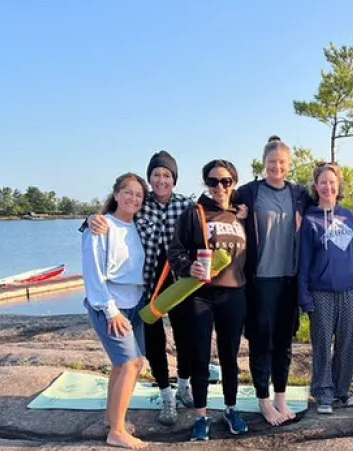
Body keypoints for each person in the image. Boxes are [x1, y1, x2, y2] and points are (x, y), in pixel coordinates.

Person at [87, 151, 194, 426]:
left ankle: (184, 385)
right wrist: (90, 220)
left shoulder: (186, 205)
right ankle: (166, 394)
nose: (161, 180)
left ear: (174, 179)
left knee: (185, 337)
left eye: (167, 175)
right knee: (155, 343)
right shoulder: (141, 206)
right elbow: (113, 220)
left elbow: (205, 231)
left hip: (180, 280)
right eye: (156, 174)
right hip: (148, 283)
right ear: (150, 179)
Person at [168, 159, 249, 440]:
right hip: (201, 295)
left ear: (233, 183)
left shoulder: (241, 215)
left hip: (235, 293)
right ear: (206, 184)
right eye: (213, 181)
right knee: (200, 356)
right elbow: (175, 251)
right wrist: (188, 266)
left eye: (225, 181)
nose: (219, 187)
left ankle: (230, 408)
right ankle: (201, 415)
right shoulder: (196, 213)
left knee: (230, 356)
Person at [235, 136, 311, 426]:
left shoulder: (299, 194)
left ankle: (281, 396)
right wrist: (238, 214)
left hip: (289, 279)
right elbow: (216, 203)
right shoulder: (250, 193)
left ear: (288, 165)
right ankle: (264, 401)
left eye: (281, 162)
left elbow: (329, 195)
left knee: (284, 342)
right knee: (261, 341)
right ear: (264, 163)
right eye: (271, 162)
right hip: (261, 280)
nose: (276, 167)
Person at [82, 172, 149, 449]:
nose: (133, 198)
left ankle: (113, 419)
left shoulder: (140, 227)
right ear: (116, 193)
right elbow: (93, 272)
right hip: (111, 306)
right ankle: (118, 432)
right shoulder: (100, 226)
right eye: (128, 192)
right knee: (129, 364)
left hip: (137, 304)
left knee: (127, 365)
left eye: (138, 195)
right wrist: (111, 311)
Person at [298, 163, 353, 415]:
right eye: (323, 182)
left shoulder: (349, 216)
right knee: (323, 345)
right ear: (316, 187)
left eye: (332, 182)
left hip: (349, 291)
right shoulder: (310, 220)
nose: (328, 187)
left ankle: (342, 391)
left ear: (338, 186)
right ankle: (323, 393)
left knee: (348, 343)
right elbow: (303, 262)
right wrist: (304, 297)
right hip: (320, 292)